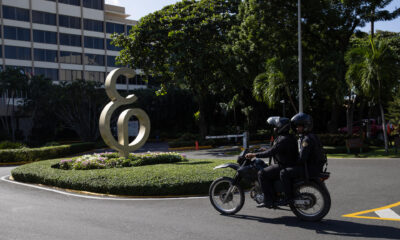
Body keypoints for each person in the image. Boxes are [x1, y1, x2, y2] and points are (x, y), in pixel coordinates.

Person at [245, 117, 298, 208]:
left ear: (281, 127)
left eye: (276, 126)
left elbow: (271, 152)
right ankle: (275, 195)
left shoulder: (282, 139)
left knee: (262, 173)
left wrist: (254, 155)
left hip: (283, 165)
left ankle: (268, 200)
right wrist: (266, 149)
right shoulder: (289, 137)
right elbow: (278, 150)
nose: (274, 128)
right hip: (289, 164)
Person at [279, 113, 326, 205]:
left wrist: (291, 163)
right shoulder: (313, 136)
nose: (297, 129)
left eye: (299, 127)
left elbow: (302, 158)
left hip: (308, 168)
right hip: (316, 167)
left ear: (305, 126)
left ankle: (288, 198)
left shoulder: (306, 140)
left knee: (284, 172)